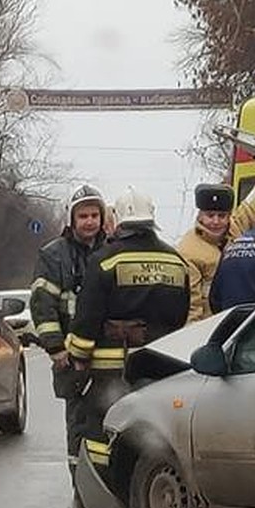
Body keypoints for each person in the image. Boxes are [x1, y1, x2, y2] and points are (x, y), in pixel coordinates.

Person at [64, 187, 190, 476]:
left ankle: (105, 485)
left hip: (112, 369)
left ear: (117, 220)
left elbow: (87, 318)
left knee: (102, 426)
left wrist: (78, 357)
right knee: (155, 427)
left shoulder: (105, 260)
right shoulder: (175, 260)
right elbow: (181, 316)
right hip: (161, 362)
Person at [29, 183, 108, 482]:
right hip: (70, 357)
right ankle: (80, 480)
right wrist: (56, 348)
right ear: (71, 220)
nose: (89, 221)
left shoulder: (111, 250)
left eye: (94, 215)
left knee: (107, 419)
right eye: (83, 216)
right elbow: (42, 305)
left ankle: (106, 480)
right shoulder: (53, 255)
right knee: (78, 420)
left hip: (106, 352)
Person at [176, 182, 234, 323]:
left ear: (229, 217)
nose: (216, 221)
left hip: (235, 322)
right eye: (210, 215)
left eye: (221, 216)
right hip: (209, 327)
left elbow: (251, 209)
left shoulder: (234, 232)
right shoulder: (187, 251)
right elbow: (192, 304)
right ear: (200, 215)